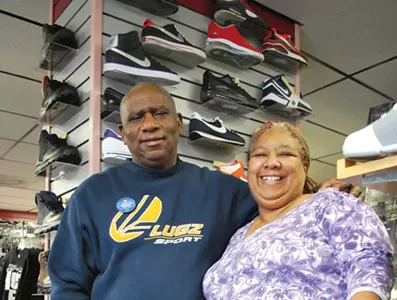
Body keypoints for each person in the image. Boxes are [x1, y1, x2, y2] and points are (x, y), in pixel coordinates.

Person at [48, 83, 365, 299]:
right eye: (136, 118)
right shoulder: (92, 195)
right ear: (123, 133)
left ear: (179, 123)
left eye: (160, 113)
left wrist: (320, 194)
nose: (149, 124)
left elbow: (280, 202)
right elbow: (68, 284)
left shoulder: (222, 191)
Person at [203, 121, 394, 300]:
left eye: (285, 154)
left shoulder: (330, 204)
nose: (272, 162)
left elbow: (370, 267)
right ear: (248, 166)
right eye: (260, 154)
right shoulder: (238, 236)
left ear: (305, 167)